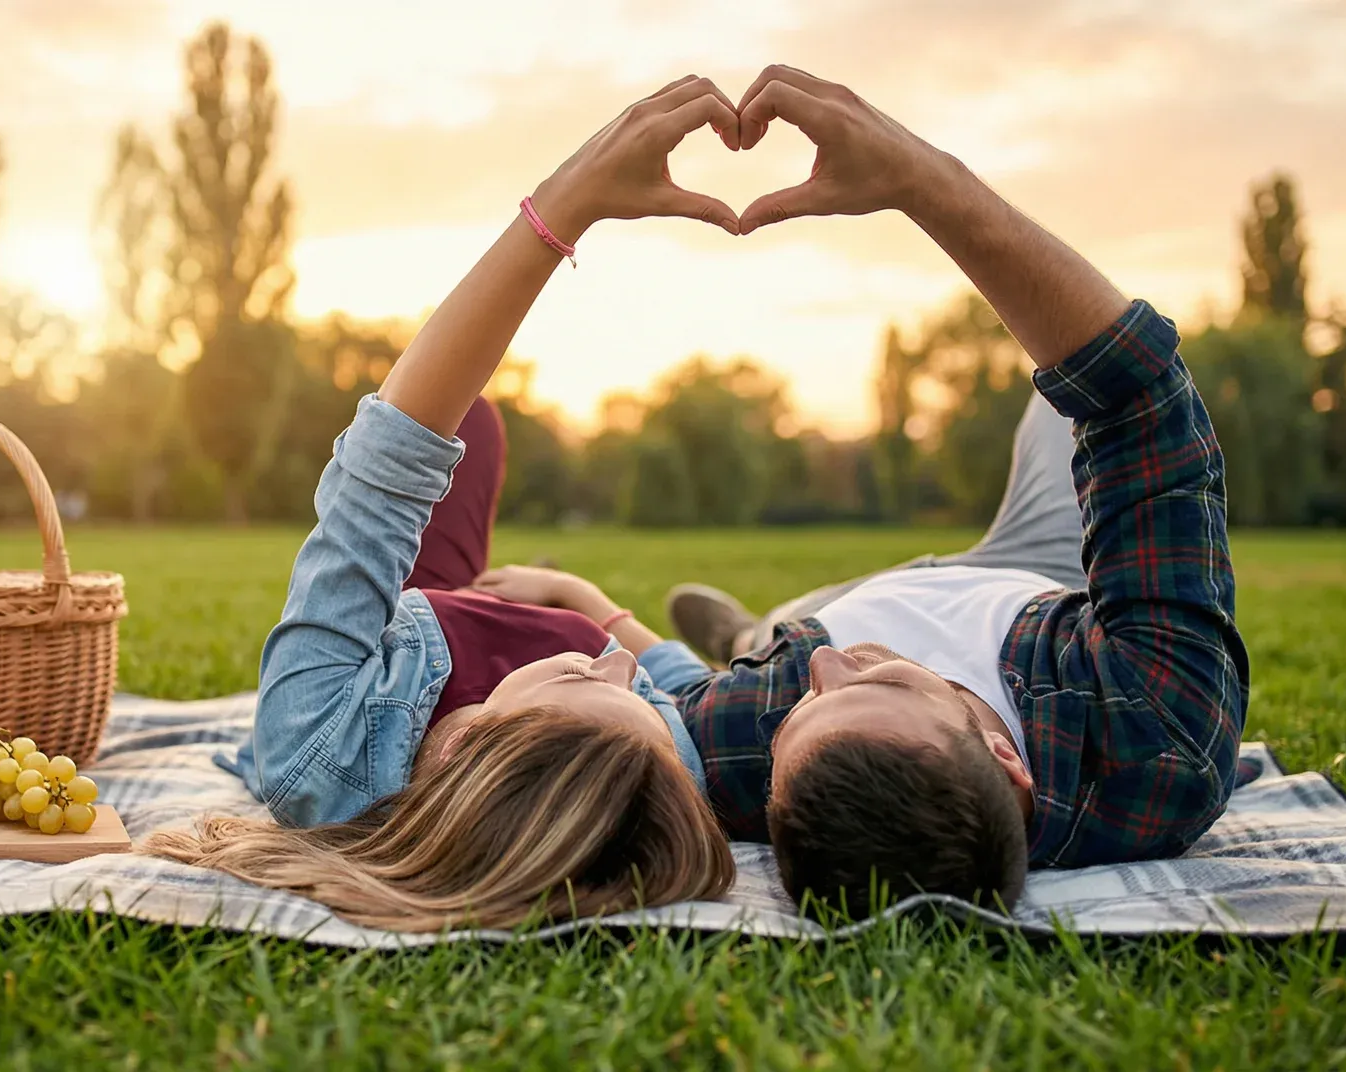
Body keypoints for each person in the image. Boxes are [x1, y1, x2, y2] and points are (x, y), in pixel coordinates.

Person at [145, 76, 754, 932]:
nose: (625, 665)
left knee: (467, 418)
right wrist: (584, 605)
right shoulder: (663, 782)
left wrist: (564, 207)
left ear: (467, 737)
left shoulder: (324, 751)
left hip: (406, 627)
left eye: (587, 673)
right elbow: (689, 685)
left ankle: (472, 589)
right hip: (503, 621)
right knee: (483, 427)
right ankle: (525, 591)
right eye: (644, 709)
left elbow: (382, 475)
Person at [644, 66, 1251, 917]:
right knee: (1066, 380)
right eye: (882, 688)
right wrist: (921, 179)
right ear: (1010, 765)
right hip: (1045, 579)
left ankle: (747, 631)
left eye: (797, 718)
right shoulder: (1149, 737)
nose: (822, 675)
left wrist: (569, 602)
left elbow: (593, 721)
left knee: (788, 631)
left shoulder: (751, 736)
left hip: (847, 605)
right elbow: (1136, 394)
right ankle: (755, 626)